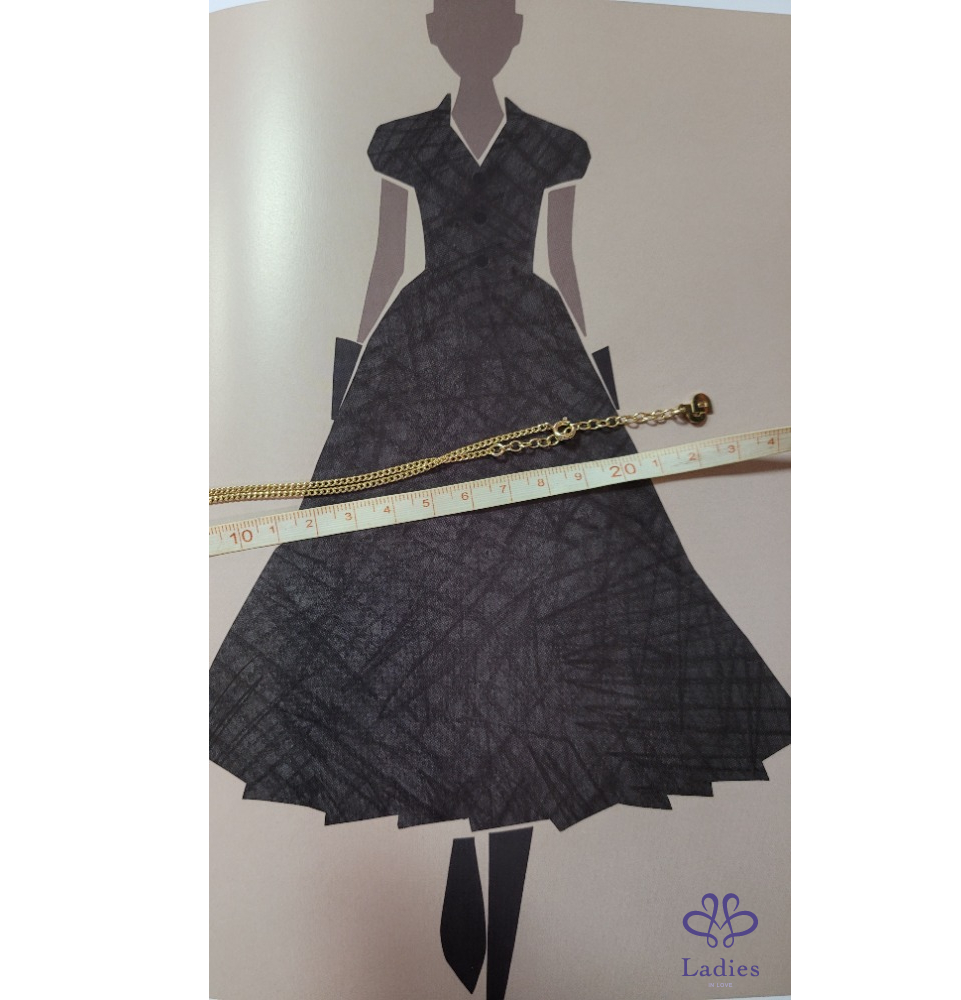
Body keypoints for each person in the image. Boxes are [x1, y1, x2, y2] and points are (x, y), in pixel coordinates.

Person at [210, 3, 791, 997]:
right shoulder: (403, 142)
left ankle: (505, 888)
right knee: (429, 615)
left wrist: (597, 387)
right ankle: (458, 854)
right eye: (462, 27)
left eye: (489, 26)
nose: (476, 40)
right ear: (441, 37)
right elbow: (385, 263)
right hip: (424, 357)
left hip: (531, 355)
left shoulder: (550, 145)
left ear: (513, 35)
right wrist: (352, 381)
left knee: (539, 616)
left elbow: (564, 270)